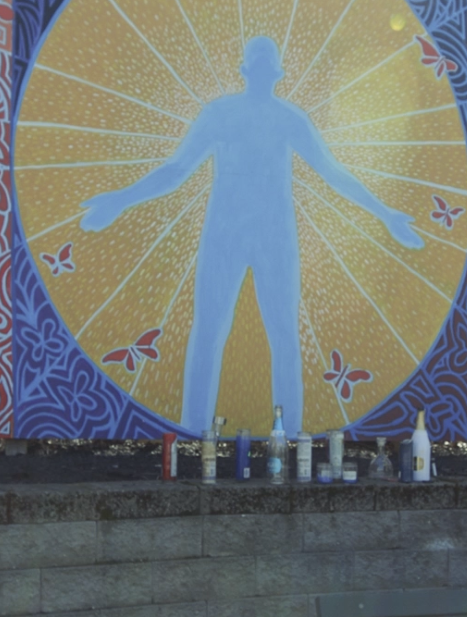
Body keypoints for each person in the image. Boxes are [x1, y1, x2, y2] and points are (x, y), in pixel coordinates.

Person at [80, 36, 423, 434]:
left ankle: (291, 434)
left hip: (275, 238)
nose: (261, 73)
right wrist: (121, 199)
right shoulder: (220, 114)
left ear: (275, 74)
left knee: (283, 336)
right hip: (223, 235)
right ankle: (194, 429)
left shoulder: (290, 119)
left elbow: (333, 173)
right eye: (255, 66)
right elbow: (176, 171)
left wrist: (385, 213)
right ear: (246, 72)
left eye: (266, 67)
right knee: (208, 331)